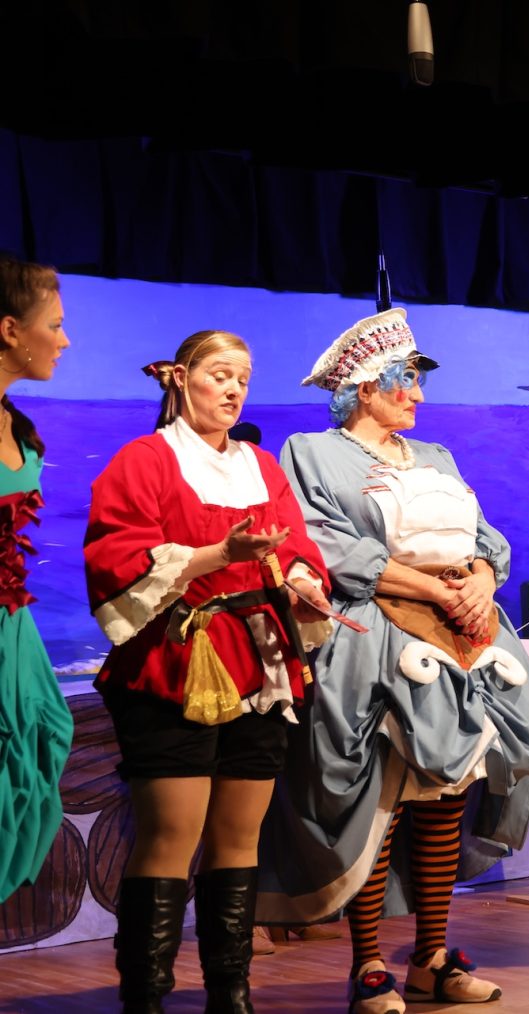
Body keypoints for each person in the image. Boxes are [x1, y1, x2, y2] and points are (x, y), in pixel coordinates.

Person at [256, 308, 529, 1014]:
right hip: (377, 638)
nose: (417, 395)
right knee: (379, 800)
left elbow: (484, 537)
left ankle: (432, 958)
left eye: (417, 381)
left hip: (462, 637)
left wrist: (481, 583)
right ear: (365, 387)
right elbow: (323, 543)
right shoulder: (312, 453)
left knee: (446, 795)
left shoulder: (436, 457)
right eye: (404, 381)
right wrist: (434, 590)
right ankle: (368, 964)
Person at [84, 329, 334, 1013]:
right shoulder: (144, 461)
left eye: (242, 379)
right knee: (171, 836)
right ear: (179, 378)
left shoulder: (262, 466)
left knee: (240, 837)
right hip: (174, 659)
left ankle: (231, 993)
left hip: (259, 663)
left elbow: (298, 548)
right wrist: (221, 553)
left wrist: (304, 582)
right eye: (219, 374)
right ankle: (147, 997)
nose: (233, 390)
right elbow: (117, 558)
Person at [0, 255, 73, 905]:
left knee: (42, 740)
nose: (65, 340)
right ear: (9, 330)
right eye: (54, 324)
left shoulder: (17, 425)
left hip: (13, 624)